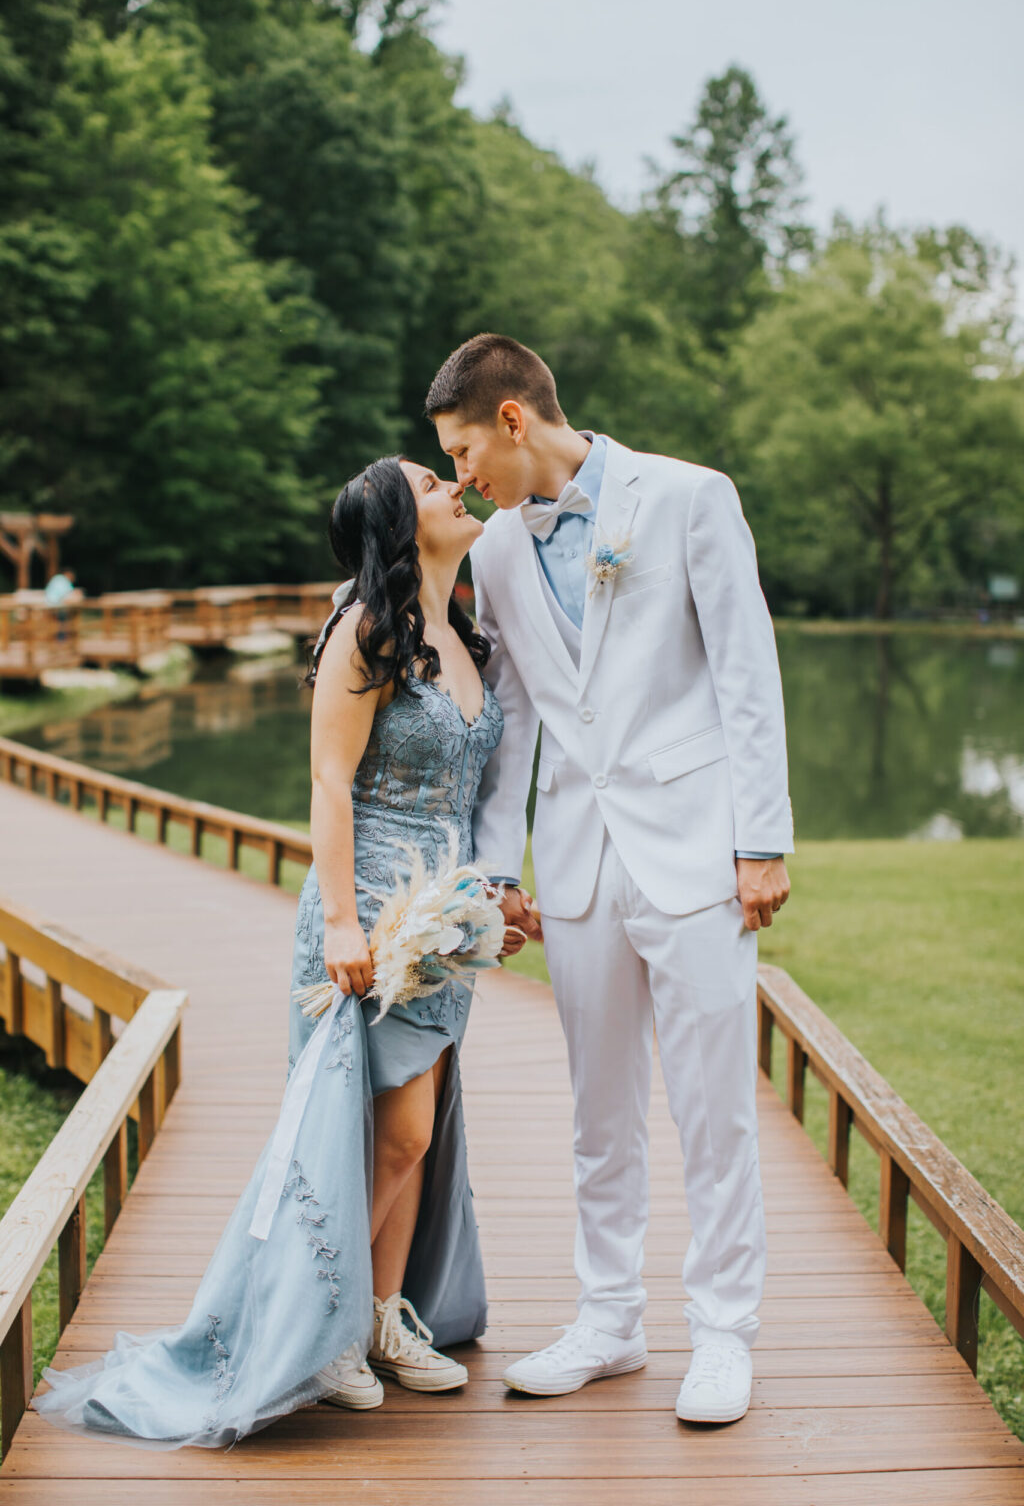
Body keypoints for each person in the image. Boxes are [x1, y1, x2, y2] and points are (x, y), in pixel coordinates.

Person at [33, 457, 521, 1448]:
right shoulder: (365, 628)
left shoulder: (465, 635)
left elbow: (477, 793)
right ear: (396, 524)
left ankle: (382, 1318)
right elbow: (330, 782)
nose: (452, 491)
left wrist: (491, 897)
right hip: (371, 912)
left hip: (442, 917)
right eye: (430, 484)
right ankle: (321, 1328)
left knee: (414, 1120)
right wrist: (342, 921)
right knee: (386, 1131)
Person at [426, 334, 793, 1426]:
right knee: (599, 1107)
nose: (457, 479)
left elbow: (744, 666)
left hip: (694, 852)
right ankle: (609, 1319)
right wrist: (497, 872)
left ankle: (723, 1334)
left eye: (459, 451)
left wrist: (759, 839)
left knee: (713, 1109)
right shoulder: (493, 552)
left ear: (510, 420)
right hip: (579, 860)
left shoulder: (688, 497)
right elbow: (520, 719)